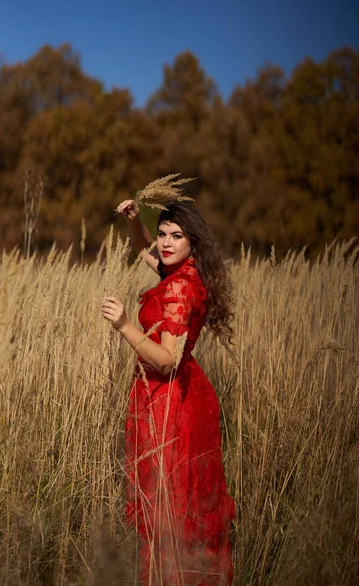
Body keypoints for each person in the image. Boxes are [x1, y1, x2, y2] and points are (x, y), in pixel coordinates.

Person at [101, 200, 235, 585]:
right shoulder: (187, 272)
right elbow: (147, 250)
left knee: (170, 508)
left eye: (176, 236)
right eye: (163, 234)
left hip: (171, 403)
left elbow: (165, 361)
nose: (165, 243)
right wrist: (135, 223)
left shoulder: (179, 288)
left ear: (193, 241)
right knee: (179, 506)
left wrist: (125, 324)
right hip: (184, 396)